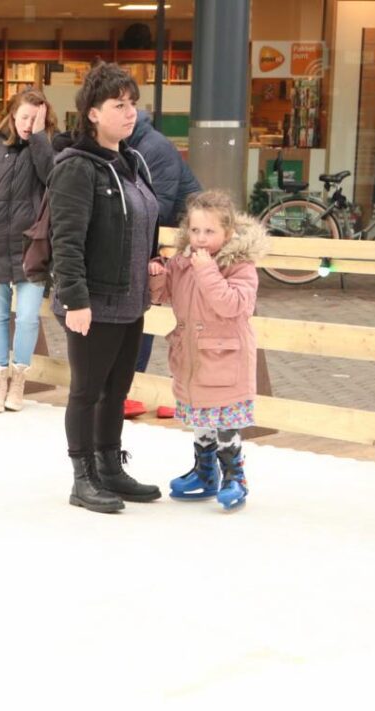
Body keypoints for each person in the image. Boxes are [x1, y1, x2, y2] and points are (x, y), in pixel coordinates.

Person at [47, 62, 162, 513]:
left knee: (117, 390)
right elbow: (66, 239)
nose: (129, 112)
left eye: (132, 103)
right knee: (87, 390)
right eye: (119, 104)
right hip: (92, 300)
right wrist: (75, 298)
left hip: (131, 299)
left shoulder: (132, 161)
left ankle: (110, 466)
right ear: (92, 113)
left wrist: (153, 261)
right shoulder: (77, 167)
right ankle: (83, 477)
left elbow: (144, 223)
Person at [148, 190, 266, 511]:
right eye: (196, 230)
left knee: (225, 422)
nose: (201, 239)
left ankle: (234, 476)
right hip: (192, 357)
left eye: (210, 232)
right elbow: (164, 296)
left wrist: (206, 270)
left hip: (226, 359)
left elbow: (233, 305)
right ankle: (204, 472)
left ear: (227, 233)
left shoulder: (240, 266)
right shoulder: (184, 262)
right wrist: (157, 276)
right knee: (201, 416)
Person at [0, 90, 56, 412]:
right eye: (24, 117)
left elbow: (53, 179)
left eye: (36, 118)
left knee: (29, 317)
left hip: (32, 245)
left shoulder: (50, 146)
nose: (28, 124)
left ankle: (18, 381)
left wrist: (40, 138)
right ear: (12, 114)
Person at [127, 107, 204, 416]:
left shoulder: (154, 148)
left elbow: (157, 206)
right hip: (159, 241)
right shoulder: (127, 146)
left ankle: (179, 396)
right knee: (145, 314)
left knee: (182, 320)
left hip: (185, 242)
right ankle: (135, 390)